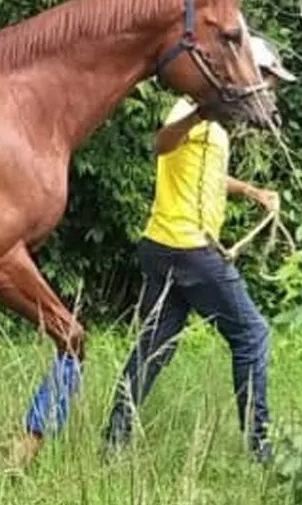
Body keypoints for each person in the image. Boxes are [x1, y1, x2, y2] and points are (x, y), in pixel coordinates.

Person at [102, 35, 296, 464]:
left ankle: (114, 439)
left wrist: (252, 191)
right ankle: (261, 447)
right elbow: (162, 144)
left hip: (163, 246)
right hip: (190, 250)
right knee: (253, 335)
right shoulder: (196, 112)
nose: (270, 92)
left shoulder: (215, 127)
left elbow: (203, 171)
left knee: (154, 347)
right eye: (270, 82)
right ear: (251, 74)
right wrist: (201, 113)